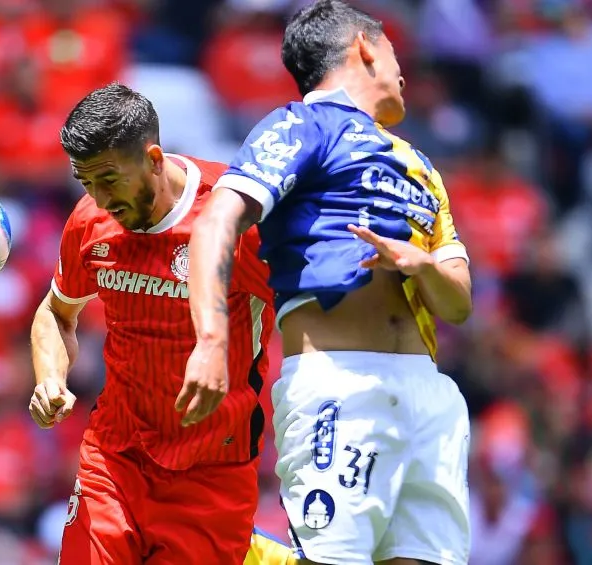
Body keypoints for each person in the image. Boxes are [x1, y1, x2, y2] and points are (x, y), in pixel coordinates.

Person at [185, 2, 474, 565]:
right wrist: (212, 339)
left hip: (429, 395)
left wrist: (421, 265)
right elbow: (217, 220)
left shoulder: (422, 166)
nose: (404, 73)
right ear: (365, 47)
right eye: (394, 54)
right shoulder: (302, 125)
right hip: (341, 386)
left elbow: (459, 303)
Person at [28, 83, 292, 564]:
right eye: (85, 182)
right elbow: (56, 312)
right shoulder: (90, 220)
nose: (100, 199)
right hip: (115, 455)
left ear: (153, 158)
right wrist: (50, 378)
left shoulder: (234, 217)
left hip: (212, 470)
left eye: (109, 180)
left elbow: (308, 311)